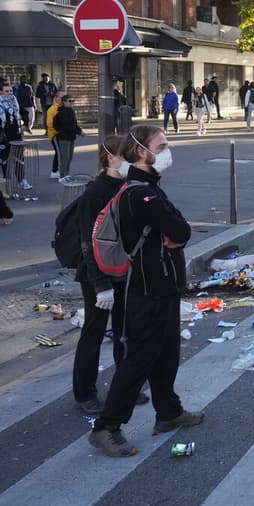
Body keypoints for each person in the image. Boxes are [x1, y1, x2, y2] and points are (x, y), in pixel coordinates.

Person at [88, 124, 201, 457]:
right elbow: (180, 227)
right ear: (141, 152)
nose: (167, 151)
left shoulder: (147, 188)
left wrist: (176, 232)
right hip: (147, 289)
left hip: (163, 286)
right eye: (161, 146)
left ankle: (168, 411)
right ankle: (106, 427)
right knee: (138, 361)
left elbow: (177, 227)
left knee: (166, 354)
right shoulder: (141, 193)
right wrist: (177, 233)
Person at [72, 136, 148, 413]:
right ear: (109, 159)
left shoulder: (129, 186)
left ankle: (124, 387)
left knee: (124, 333)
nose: (131, 161)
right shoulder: (94, 194)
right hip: (98, 276)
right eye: (125, 156)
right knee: (93, 334)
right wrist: (100, 284)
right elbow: (87, 243)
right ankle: (85, 394)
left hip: (124, 271)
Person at [0, 83, 28, 188]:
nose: (9, 93)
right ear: (1, 92)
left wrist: (26, 123)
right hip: (3, 137)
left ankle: (22, 180)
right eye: (7, 91)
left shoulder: (15, 101)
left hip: (16, 135)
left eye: (11, 91)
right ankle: (6, 182)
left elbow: (24, 112)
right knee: (5, 159)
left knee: (19, 159)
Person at [52, 94, 84, 178]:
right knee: (65, 158)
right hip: (64, 137)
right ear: (64, 102)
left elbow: (74, 124)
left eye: (73, 101)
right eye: (70, 101)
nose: (72, 103)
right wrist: (78, 132)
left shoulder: (71, 111)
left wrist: (79, 130)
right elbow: (66, 126)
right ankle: (63, 175)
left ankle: (66, 173)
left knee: (69, 157)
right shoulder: (62, 112)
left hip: (71, 136)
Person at [46, 94, 62, 178]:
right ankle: (54, 171)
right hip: (55, 135)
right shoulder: (52, 110)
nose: (62, 100)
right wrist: (58, 131)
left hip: (62, 134)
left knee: (61, 152)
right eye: (61, 98)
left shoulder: (62, 108)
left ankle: (60, 170)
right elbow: (49, 124)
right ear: (56, 98)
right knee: (58, 152)